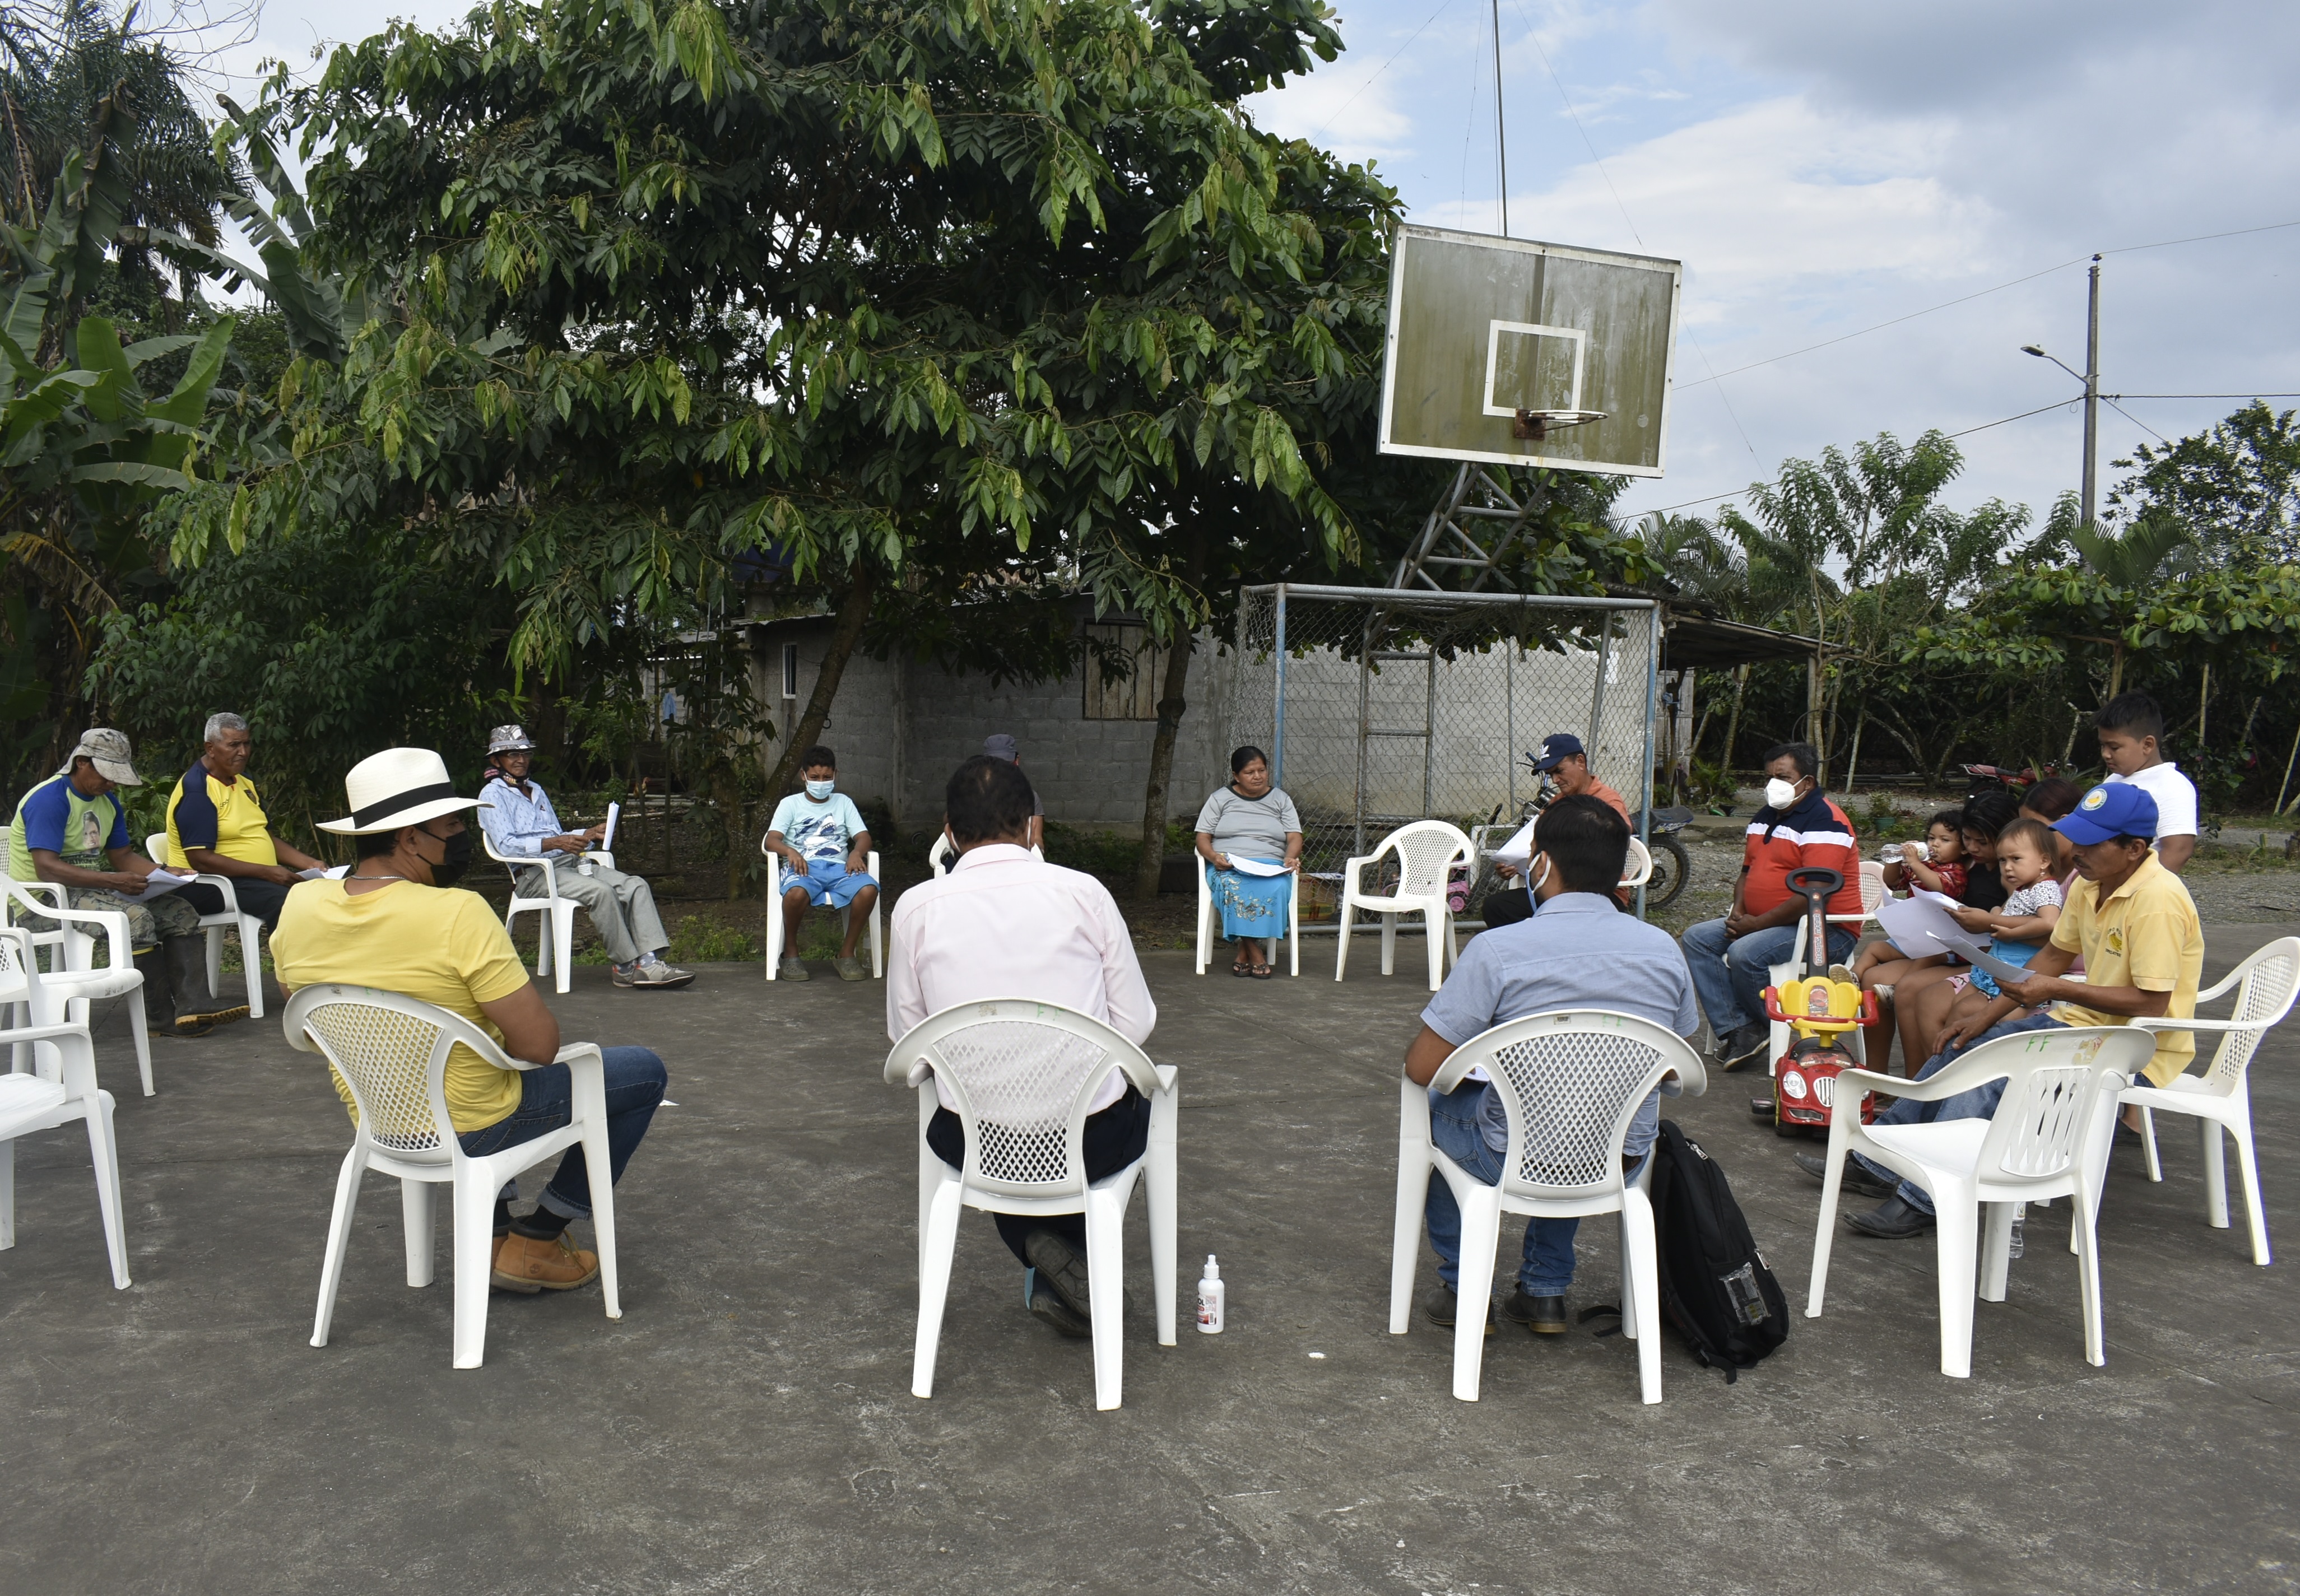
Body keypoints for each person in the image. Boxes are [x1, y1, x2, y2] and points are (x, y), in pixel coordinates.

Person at [273, 747, 670, 1291]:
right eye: (454, 824)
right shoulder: (456, 911)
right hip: (476, 1125)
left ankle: (494, 1234)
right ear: (411, 838)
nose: (464, 835)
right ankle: (539, 1236)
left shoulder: (299, 904)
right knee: (643, 1072)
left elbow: (307, 1015)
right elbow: (538, 1045)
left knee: (475, 1062)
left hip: (378, 1119)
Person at [1799, 781, 2201, 1239]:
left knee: (1994, 1071)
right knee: (1960, 1045)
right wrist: (1984, 1016)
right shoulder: (2091, 885)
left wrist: (2054, 990)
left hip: (2138, 1047)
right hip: (2083, 1028)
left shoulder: (2157, 901)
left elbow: (2151, 1002)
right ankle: (1876, 1162)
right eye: (2077, 838)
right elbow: (2051, 957)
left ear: (2133, 849)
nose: (2077, 850)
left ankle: (1924, 1198)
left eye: (2092, 842)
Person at [1404, 794, 1700, 1333]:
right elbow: (1673, 1069)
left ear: (1539, 864)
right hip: (1618, 1158)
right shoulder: (1664, 949)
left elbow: (1423, 1066)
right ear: (1621, 869)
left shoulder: (1496, 949)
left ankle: (1464, 1287)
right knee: (1586, 1112)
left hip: (1507, 1156)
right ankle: (1544, 1292)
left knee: (1436, 1107)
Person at [888, 755, 1157, 1338]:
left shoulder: (915, 908)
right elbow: (1135, 1024)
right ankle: (1065, 1266)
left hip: (980, 1143)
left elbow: (911, 1052)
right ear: (1031, 825)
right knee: (1138, 1107)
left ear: (949, 832)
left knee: (970, 1130)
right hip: (1089, 1139)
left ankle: (1041, 1252)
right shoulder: (1084, 893)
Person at [7, 728, 245, 1037]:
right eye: (106, 775)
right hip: (41, 901)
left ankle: (194, 1006)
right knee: (135, 919)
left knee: (181, 913)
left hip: (89, 890)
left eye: (116, 777)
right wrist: (112, 881)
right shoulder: (50, 800)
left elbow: (122, 857)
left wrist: (164, 872)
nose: (111, 783)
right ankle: (159, 1018)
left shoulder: (107, 802)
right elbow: (47, 869)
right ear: (82, 762)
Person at [1680, 742, 1862, 1070]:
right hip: (1766, 923)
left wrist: (1756, 925)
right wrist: (1739, 910)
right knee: (1697, 938)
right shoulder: (1764, 817)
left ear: (1807, 782)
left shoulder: (1826, 821)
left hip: (1824, 931)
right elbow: (1746, 872)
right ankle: (1740, 1028)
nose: (1773, 785)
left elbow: (1814, 895)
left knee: (1745, 952)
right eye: (1769, 777)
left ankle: (1768, 1025)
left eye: (1783, 777)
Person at [475, 724, 693, 990]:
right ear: (496, 761)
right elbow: (507, 847)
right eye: (512, 754)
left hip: (568, 864)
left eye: (525, 754)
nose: (521, 760)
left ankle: (648, 963)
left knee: (636, 885)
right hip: (534, 875)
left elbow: (557, 834)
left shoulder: (536, 790)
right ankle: (625, 967)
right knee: (601, 892)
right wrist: (556, 842)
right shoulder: (492, 794)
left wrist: (588, 833)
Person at [164, 712, 326, 933]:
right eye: (234, 745)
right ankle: (293, 956)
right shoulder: (197, 790)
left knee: (324, 892)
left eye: (246, 744)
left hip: (253, 878)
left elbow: (265, 836)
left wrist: (310, 864)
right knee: (289, 902)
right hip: (209, 883)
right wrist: (268, 872)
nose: (243, 752)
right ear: (210, 748)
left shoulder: (244, 781)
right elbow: (201, 860)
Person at [1912, 816, 2067, 1045]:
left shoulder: (2045, 888)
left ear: (2044, 861)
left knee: (2002, 1025)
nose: (2008, 867)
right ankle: (1951, 1055)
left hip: (2019, 972)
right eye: (2003, 860)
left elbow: (2049, 923)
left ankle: (1960, 1056)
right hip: (1997, 966)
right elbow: (2015, 916)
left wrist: (2010, 932)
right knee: (1958, 1009)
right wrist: (1997, 913)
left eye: (2016, 859)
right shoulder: (2024, 888)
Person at [1485, 732, 1633, 927]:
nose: (1555, 780)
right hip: (1558, 890)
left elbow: (1617, 844)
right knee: (1497, 907)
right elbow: (1540, 845)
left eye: (1559, 771)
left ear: (1580, 762)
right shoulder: (1558, 802)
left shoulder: (1607, 801)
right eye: (1550, 774)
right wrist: (1514, 864)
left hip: (1600, 893)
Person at [763, 746, 879, 981]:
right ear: (803, 776)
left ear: (836, 774)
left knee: (868, 890)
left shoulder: (843, 802)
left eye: (827, 777)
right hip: (802, 867)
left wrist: (857, 853)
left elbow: (864, 837)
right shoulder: (790, 804)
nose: (821, 782)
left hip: (840, 868)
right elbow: (771, 840)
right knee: (796, 893)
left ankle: (846, 954)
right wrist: (791, 851)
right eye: (815, 777)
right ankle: (791, 953)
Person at [1193, 746, 1303, 978]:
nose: (1257, 777)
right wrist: (1214, 857)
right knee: (1233, 887)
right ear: (1236, 776)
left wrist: (1290, 856)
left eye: (1262, 770)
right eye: (1250, 772)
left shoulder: (1281, 799)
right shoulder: (1220, 799)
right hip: (1229, 864)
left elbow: (1294, 837)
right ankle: (1256, 954)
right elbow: (1202, 838)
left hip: (1270, 865)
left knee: (1279, 886)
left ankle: (1244, 952)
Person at [2096, 691, 2199, 873]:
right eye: (2103, 745)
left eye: (2114, 747)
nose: (2106, 754)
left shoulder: (2172, 785)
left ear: (2148, 745)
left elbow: (2179, 850)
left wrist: (2142, 887)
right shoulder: (2113, 780)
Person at [981, 734, 1044, 851]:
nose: (1002, 770)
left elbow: (1037, 840)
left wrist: (1036, 853)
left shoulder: (1029, 796)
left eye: (1007, 764)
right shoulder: (974, 794)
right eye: (996, 764)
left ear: (1017, 760)